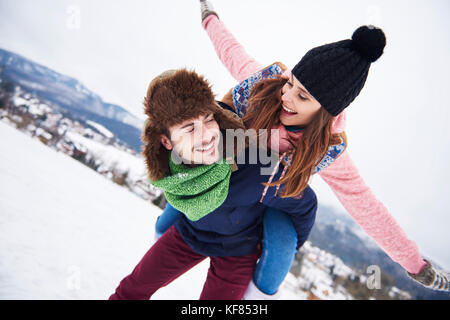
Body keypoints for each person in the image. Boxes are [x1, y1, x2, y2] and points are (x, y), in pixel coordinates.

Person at [154, 0, 449, 295]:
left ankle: (256, 292)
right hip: (226, 174)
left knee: (283, 240)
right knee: (187, 199)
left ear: (326, 112)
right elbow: (232, 52)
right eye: (291, 83)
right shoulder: (266, 89)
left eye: (303, 96)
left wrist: (416, 265)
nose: (288, 97)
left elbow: (365, 205)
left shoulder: (326, 148)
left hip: (265, 197)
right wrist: (210, 18)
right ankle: (165, 229)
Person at [109, 69, 318, 300]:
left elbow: (305, 203)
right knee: (133, 288)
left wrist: (287, 244)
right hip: (188, 234)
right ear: (166, 141)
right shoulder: (171, 168)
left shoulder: (257, 168)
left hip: (238, 250)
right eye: (189, 128)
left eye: (209, 118)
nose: (207, 135)